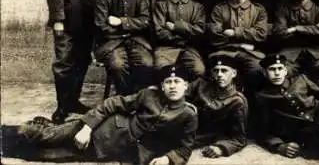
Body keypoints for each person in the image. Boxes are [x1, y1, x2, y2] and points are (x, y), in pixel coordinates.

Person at [17, 65, 198, 165]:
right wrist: (87, 128)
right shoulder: (148, 95)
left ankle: (40, 127)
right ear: (162, 86)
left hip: (114, 150)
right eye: (168, 82)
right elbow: (112, 103)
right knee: (44, 137)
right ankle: (16, 131)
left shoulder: (188, 114)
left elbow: (185, 149)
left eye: (177, 82)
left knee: (45, 155)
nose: (173, 86)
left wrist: (168, 159)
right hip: (103, 128)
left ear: (186, 86)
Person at [46, 0, 101, 123]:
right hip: (67, 24)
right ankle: (61, 107)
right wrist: (58, 20)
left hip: (87, 25)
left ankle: (74, 101)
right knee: (63, 64)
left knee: (81, 62)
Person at [95, 0, 154, 96]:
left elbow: (145, 21)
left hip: (136, 41)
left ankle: (139, 97)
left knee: (147, 63)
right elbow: (101, 26)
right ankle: (125, 98)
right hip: (111, 43)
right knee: (118, 65)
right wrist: (129, 28)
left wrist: (121, 22)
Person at [208, 0, 268, 93]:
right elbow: (215, 36)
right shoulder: (219, 9)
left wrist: (234, 32)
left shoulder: (258, 10)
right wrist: (243, 43)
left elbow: (261, 34)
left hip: (250, 54)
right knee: (218, 72)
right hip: (224, 52)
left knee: (257, 70)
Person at [255, 54, 319, 159]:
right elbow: (262, 129)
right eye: (272, 69)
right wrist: (278, 146)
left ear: (285, 71)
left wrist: (314, 101)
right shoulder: (262, 96)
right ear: (265, 73)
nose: (277, 73)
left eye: (280, 68)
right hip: (299, 133)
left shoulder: (301, 80)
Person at [187, 53, 248, 158]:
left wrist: (221, 148)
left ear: (233, 73)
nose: (219, 74)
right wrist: (186, 104)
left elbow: (239, 138)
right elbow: (181, 95)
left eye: (224, 71)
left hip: (203, 138)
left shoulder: (237, 101)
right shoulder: (201, 84)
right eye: (216, 71)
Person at [153, 0, 206, 81]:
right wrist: (185, 35)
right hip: (165, 49)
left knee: (199, 70)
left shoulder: (197, 7)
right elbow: (159, 32)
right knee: (160, 69)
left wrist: (175, 27)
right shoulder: (161, 6)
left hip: (189, 49)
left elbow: (199, 31)